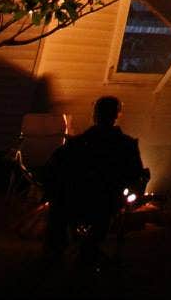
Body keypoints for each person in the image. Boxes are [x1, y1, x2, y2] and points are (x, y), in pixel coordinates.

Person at [42, 95, 149, 267]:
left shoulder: (76, 144)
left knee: (59, 204)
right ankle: (88, 250)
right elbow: (135, 176)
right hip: (106, 204)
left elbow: (52, 170)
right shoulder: (126, 145)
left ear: (94, 115)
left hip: (73, 202)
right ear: (117, 115)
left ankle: (56, 251)